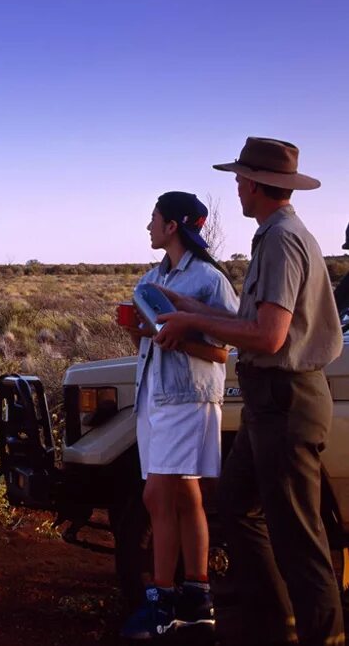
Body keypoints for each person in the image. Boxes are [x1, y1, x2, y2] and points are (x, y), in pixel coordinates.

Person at [153, 137, 344, 646]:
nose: (236, 187)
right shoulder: (272, 235)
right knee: (238, 507)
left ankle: (322, 636)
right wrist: (184, 303)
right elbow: (250, 320)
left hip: (285, 401)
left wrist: (192, 318)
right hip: (268, 403)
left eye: (240, 179)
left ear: (257, 184)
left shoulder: (282, 240)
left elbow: (270, 337)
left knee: (300, 541)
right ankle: (274, 625)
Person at [119, 192, 238, 640]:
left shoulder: (208, 280)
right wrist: (138, 333)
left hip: (188, 399)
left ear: (172, 225)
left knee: (157, 497)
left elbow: (223, 351)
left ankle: (163, 603)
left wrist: (179, 340)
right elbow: (148, 343)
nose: (148, 226)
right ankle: (197, 597)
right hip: (154, 394)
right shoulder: (152, 278)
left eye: (153, 218)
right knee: (185, 496)